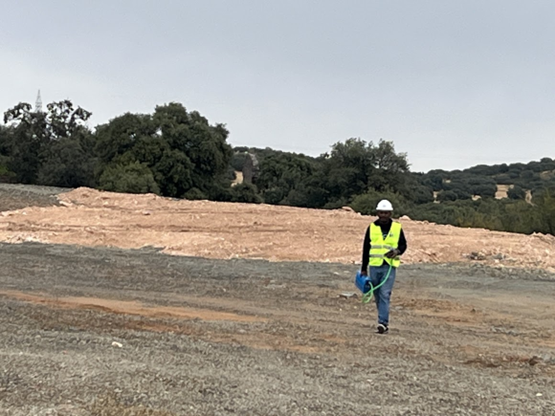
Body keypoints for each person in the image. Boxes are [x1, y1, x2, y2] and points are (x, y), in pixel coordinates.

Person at [360, 199, 407, 334]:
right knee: (377, 294)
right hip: (374, 266)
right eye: (381, 212)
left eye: (386, 213)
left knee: (385, 293)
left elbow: (403, 245)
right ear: (377, 213)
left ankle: (383, 322)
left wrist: (397, 251)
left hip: (389, 266)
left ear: (390, 213)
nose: (384, 215)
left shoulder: (397, 228)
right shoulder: (372, 228)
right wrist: (364, 268)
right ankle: (382, 318)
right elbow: (366, 248)